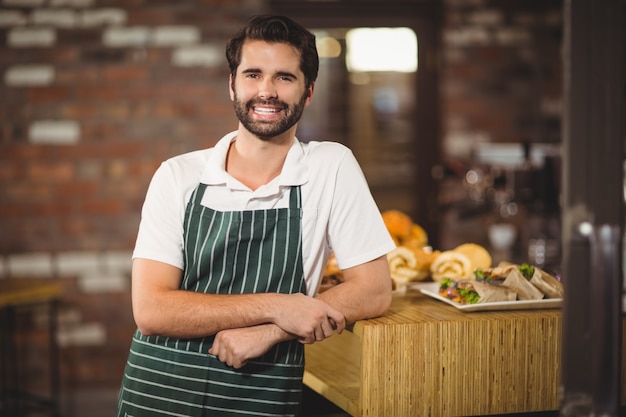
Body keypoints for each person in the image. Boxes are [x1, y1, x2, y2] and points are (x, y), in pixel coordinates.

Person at [117, 14, 395, 417]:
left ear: (308, 91)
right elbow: (152, 310)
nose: (266, 91)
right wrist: (278, 306)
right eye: (253, 74)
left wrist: (272, 331)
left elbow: (374, 289)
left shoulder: (330, 167)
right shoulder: (178, 176)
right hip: (161, 389)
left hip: (261, 390)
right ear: (232, 85)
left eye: (284, 77)